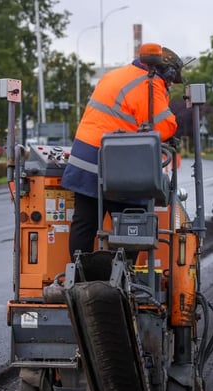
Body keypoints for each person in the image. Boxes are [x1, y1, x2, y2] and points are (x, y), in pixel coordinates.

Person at [62, 44, 183, 258]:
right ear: (167, 71)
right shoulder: (150, 83)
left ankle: (79, 276)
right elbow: (165, 126)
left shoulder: (115, 75)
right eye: (172, 80)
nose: (171, 84)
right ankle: (125, 279)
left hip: (85, 159)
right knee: (132, 223)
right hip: (118, 166)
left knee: (85, 221)